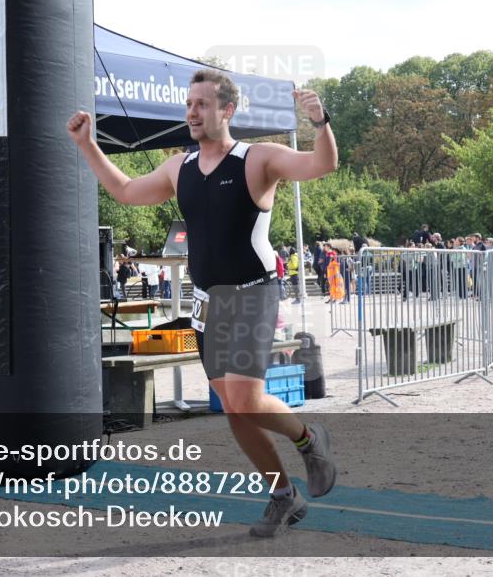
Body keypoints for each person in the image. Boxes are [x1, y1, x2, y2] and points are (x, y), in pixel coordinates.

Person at [67, 69, 338, 536]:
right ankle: (283, 496)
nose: (192, 112)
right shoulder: (180, 167)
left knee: (246, 400)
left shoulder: (257, 158)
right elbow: (126, 192)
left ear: (227, 110)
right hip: (207, 301)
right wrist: (88, 145)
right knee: (233, 407)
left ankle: (309, 439)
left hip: (252, 293)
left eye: (202, 104)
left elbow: (322, 165)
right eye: (189, 104)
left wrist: (319, 122)